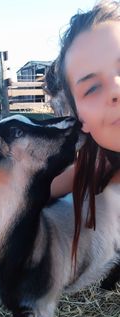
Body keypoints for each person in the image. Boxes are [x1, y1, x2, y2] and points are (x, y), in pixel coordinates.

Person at [46, 0, 120, 262]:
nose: (115, 89)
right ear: (81, 120)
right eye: (92, 88)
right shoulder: (96, 161)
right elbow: (48, 187)